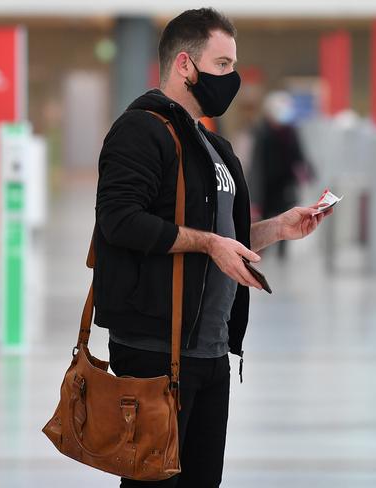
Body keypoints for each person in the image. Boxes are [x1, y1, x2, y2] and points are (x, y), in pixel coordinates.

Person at [92, 7, 333, 487]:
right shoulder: (141, 130)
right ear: (185, 64)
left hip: (209, 351)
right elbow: (119, 221)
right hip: (155, 354)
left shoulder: (212, 147)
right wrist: (208, 243)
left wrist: (277, 228)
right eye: (222, 65)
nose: (232, 78)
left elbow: (224, 237)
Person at [249, 91, 316, 259]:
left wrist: (309, 170)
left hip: (285, 182)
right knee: (266, 217)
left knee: (286, 213)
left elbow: (299, 153)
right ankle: (263, 249)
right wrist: (254, 193)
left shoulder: (290, 132)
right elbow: (257, 163)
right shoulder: (262, 131)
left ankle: (282, 252)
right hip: (266, 183)